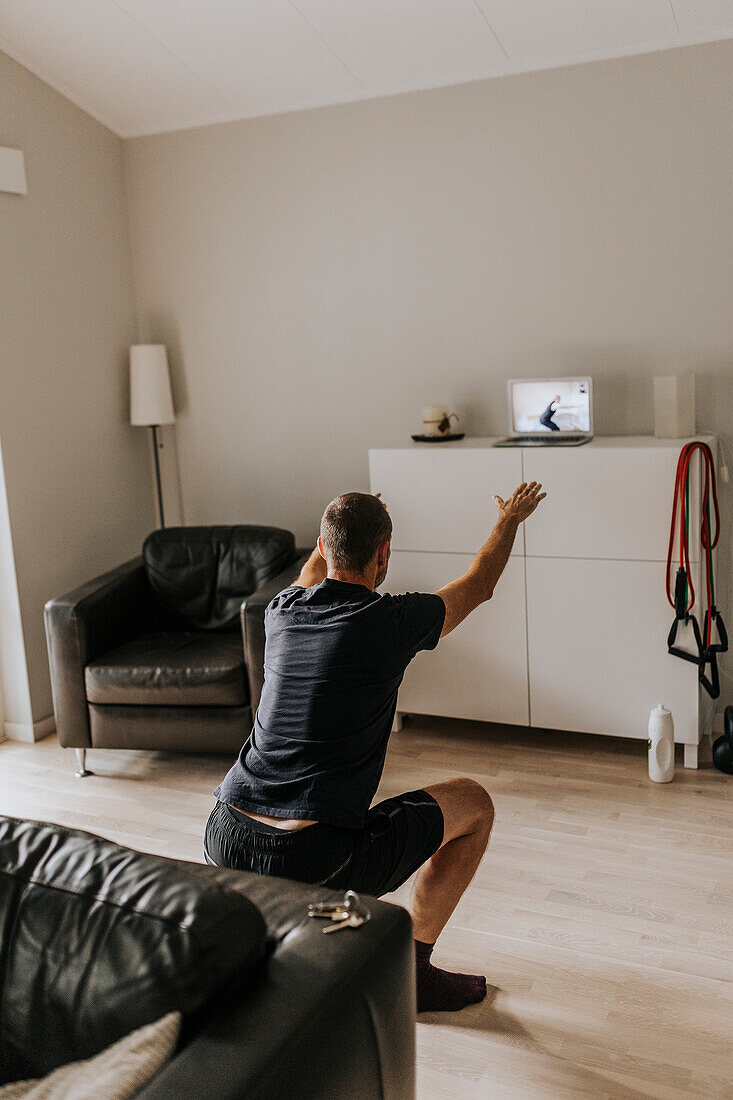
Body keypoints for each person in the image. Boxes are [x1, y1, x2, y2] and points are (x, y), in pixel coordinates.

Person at [206, 482, 546, 1013]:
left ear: (321, 545)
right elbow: (479, 584)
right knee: (474, 805)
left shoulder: (282, 610)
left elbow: (313, 571)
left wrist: (345, 521)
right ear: (383, 553)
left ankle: (276, 957)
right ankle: (414, 975)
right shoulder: (389, 621)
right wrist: (510, 519)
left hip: (223, 835)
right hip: (309, 856)